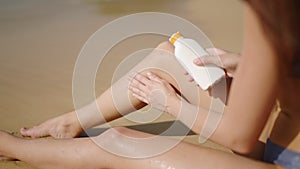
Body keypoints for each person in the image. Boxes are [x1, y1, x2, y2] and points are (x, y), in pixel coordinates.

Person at [0, 0, 299, 168]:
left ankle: (12, 147)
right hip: (284, 138)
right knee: (165, 58)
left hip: (286, 161)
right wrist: (247, 62)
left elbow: (239, 139)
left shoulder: (273, 11)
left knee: (118, 142)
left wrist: (169, 103)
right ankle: (69, 124)